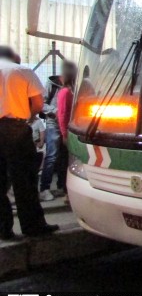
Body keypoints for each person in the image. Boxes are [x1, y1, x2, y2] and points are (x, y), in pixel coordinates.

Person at [0, 45, 58, 239]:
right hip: (16, 129)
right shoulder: (22, 71)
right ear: (13, 57)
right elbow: (39, 104)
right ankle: (32, 227)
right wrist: (28, 118)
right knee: (24, 180)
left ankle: (3, 229)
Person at [56, 61, 77, 201]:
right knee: (66, 162)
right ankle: (66, 191)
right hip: (67, 133)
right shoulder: (65, 92)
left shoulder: (69, 91)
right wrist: (65, 134)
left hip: (69, 131)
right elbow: (62, 114)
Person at [39, 75, 62, 201]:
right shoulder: (52, 85)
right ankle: (44, 188)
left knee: (64, 157)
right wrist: (56, 110)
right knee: (52, 156)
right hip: (53, 124)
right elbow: (41, 104)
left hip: (67, 125)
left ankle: (61, 186)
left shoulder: (75, 84)